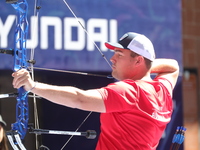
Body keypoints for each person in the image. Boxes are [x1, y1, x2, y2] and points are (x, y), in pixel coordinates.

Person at [12, 32, 179, 150]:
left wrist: (32, 85)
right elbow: (173, 67)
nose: (112, 59)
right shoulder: (162, 90)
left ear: (138, 60)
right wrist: (146, 70)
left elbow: (80, 99)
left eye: (119, 54)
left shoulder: (129, 91)